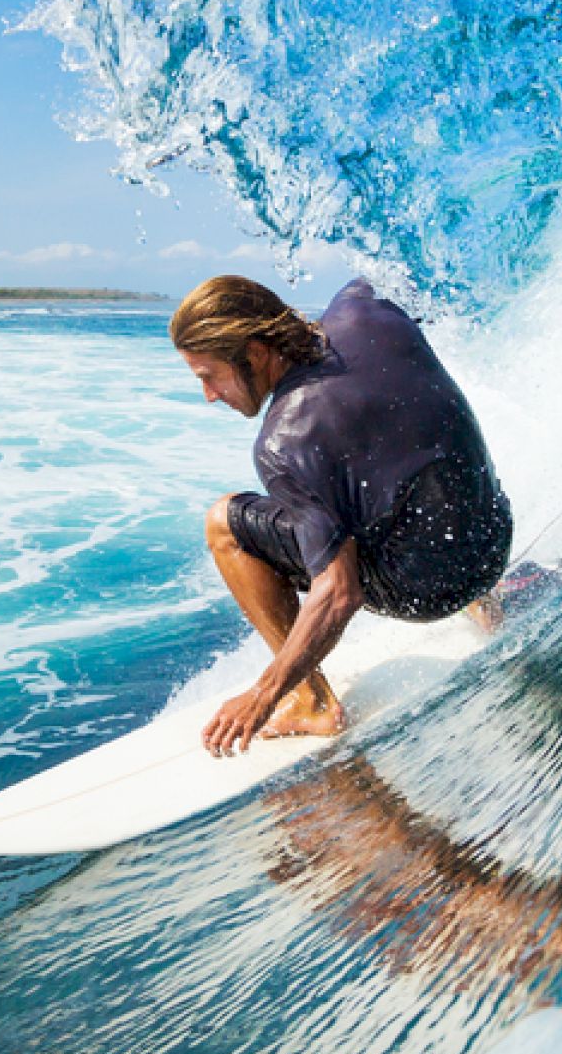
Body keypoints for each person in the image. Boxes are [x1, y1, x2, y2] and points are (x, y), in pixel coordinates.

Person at [171, 275, 512, 756]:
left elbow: (339, 592)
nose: (208, 394)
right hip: (492, 541)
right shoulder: (364, 307)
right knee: (389, 456)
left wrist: (261, 695)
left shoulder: (283, 442)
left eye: (209, 375)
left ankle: (310, 701)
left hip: (430, 592)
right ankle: (489, 603)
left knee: (223, 522)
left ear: (254, 353)